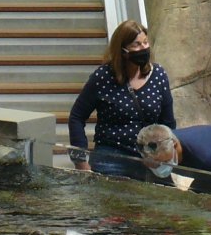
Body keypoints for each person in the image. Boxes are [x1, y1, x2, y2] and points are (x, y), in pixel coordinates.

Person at [67, 19, 174, 179]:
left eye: (145, 42)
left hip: (150, 159)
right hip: (112, 157)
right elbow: (76, 117)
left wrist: (165, 154)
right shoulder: (102, 77)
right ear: (123, 50)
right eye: (136, 45)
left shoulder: (158, 75)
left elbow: (168, 122)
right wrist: (80, 162)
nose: (143, 48)